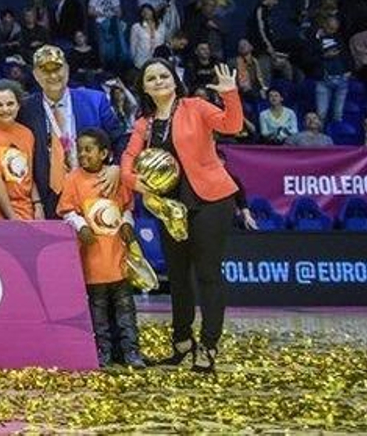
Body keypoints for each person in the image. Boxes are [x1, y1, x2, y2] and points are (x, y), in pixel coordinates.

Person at [122, 59, 242, 373]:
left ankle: (209, 345)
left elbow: (232, 125)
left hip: (210, 200)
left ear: (175, 80)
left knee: (207, 274)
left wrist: (229, 94)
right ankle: (182, 341)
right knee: (177, 276)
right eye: (151, 78)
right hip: (169, 207)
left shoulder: (196, 107)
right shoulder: (144, 124)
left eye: (164, 75)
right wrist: (134, 181)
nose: (159, 81)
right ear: (144, 88)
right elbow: (128, 159)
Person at [58, 128, 145, 369]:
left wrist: (127, 224)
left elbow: (126, 207)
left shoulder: (115, 178)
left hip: (118, 262)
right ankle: (102, 353)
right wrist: (81, 226)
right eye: (79, 150)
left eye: (89, 150)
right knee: (98, 313)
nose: (82, 155)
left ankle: (131, 352)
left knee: (126, 311)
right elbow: (67, 211)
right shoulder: (73, 179)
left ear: (104, 153)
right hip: (92, 264)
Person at [18, 45, 126, 219]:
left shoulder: (95, 100)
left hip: (93, 189)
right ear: (36, 75)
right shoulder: (25, 108)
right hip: (47, 197)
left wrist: (117, 167)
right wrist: (35, 201)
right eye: (45, 71)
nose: (53, 76)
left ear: (67, 69)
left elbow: (120, 139)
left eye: (57, 69)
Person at [0, 81, 38, 220]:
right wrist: (12, 217)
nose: (5, 109)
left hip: (26, 206)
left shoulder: (27, 134)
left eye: (10, 104)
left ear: (18, 105)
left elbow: (29, 175)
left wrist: (37, 204)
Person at [246, 0, 294, 83]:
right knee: (265, 74)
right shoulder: (260, 10)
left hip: (269, 50)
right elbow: (261, 30)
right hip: (262, 51)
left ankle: (288, 87)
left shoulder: (268, 12)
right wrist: (268, 46)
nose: (276, 3)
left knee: (286, 65)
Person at [312, 15, 350, 124]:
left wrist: (348, 70)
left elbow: (346, 55)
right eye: (331, 28)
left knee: (338, 114)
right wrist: (324, 56)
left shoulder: (338, 37)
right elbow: (307, 58)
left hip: (342, 78)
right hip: (324, 79)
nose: (333, 31)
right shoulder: (312, 37)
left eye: (335, 29)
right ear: (324, 25)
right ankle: (320, 135)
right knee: (321, 114)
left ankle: (337, 134)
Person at [89, 0, 127, 70]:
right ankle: (106, 67)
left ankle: (119, 66)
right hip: (102, 23)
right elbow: (90, 11)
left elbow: (119, 10)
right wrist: (104, 14)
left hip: (114, 22)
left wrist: (117, 13)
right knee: (104, 48)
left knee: (118, 46)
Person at [129, 4, 166, 70]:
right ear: (141, 14)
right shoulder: (136, 27)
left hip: (157, 60)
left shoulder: (161, 26)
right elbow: (133, 45)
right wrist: (134, 59)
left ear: (153, 12)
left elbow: (163, 43)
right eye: (143, 11)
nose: (146, 12)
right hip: (141, 61)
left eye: (148, 10)